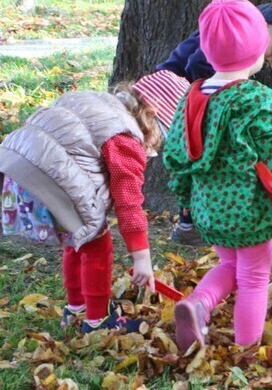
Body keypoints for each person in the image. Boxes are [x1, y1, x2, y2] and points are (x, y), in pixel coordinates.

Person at [162, 0, 272, 352]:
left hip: (209, 210)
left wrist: (188, 203)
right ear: (259, 47)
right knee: (255, 278)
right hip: (252, 212)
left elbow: (175, 157)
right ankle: (247, 352)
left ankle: (198, 304)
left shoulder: (192, 96)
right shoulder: (259, 100)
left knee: (230, 263)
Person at [0, 87, 160, 333]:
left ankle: (75, 308)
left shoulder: (94, 103)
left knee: (76, 238)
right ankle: (97, 321)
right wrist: (142, 258)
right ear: (152, 118)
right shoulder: (124, 137)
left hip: (17, 171)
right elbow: (128, 200)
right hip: (52, 180)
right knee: (97, 243)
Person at [156, 1, 272, 246]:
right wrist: (218, 104)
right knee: (196, 154)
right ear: (257, 30)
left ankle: (190, 218)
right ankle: (189, 219)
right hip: (168, 96)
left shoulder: (224, 41)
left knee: (196, 156)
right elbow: (196, 64)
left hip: (190, 100)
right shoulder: (228, 53)